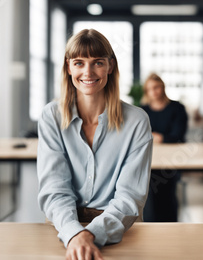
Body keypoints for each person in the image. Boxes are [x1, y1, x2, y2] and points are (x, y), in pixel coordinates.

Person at [36, 29, 153, 260]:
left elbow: (130, 197)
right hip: (64, 226)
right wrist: (74, 234)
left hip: (118, 226)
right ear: (69, 67)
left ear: (110, 66)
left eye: (97, 62)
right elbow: (54, 188)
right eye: (79, 63)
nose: (88, 72)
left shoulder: (137, 121)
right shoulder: (51, 116)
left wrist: (90, 234)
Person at [140, 73, 188, 222]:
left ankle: (170, 226)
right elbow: (139, 137)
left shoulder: (177, 108)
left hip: (171, 160)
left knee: (167, 194)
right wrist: (160, 137)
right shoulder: (142, 111)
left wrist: (155, 136)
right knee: (149, 197)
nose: (154, 92)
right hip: (149, 160)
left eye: (156, 87)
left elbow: (177, 136)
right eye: (150, 89)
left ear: (163, 87)